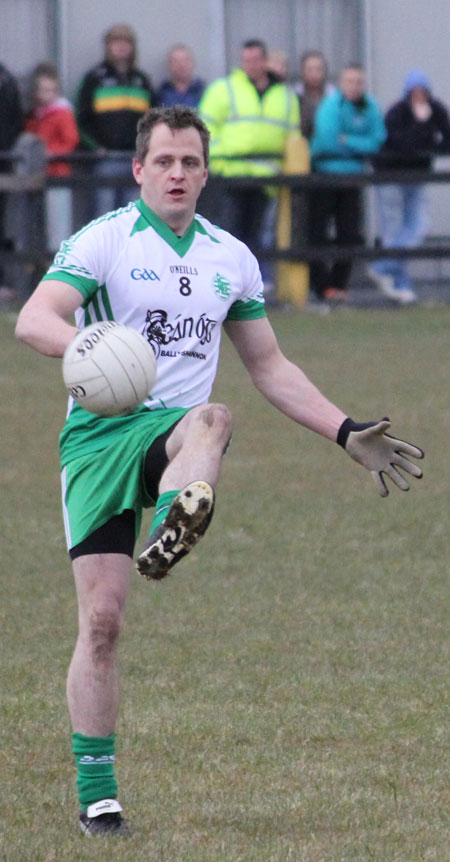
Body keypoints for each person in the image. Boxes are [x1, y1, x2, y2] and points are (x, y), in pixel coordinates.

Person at [15, 105, 424, 838]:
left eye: (190, 163)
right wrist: (95, 350)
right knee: (102, 622)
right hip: (100, 439)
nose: (177, 173)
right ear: (139, 169)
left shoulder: (230, 257)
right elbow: (35, 318)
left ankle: (179, 516)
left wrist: (343, 429)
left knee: (214, 417)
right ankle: (98, 794)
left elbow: (269, 365)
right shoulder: (104, 240)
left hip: (176, 432)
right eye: (164, 161)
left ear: (207, 173)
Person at [198, 39, 300, 303]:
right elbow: (205, 128)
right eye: (247, 60)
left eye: (256, 60)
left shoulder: (286, 96)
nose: (251, 65)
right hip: (231, 173)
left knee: (258, 236)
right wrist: (219, 160)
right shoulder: (224, 90)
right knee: (228, 234)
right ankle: (224, 288)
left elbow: (292, 136)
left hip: (266, 177)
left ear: (265, 61)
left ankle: (255, 288)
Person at [369, 69, 450, 305]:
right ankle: (401, 286)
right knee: (393, 231)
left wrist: (430, 135)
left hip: (417, 177)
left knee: (418, 226)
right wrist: (422, 126)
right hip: (390, 177)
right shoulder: (398, 112)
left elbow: (446, 141)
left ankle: (383, 268)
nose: (419, 96)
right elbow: (400, 143)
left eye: (422, 91)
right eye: (414, 92)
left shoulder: (436, 110)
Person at [309, 63, 386, 303]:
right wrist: (358, 145)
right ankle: (321, 287)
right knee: (317, 233)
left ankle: (339, 285)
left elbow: (377, 140)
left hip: (353, 178)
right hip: (325, 175)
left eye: (359, 82)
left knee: (350, 234)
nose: (354, 86)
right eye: (350, 81)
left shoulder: (370, 106)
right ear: (342, 83)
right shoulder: (331, 105)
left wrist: (349, 141)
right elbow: (329, 140)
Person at [76, 22, 155, 215]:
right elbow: (80, 119)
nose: (121, 47)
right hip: (105, 159)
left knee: (134, 216)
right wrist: (95, 148)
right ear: (108, 46)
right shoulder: (94, 78)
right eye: (116, 42)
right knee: (104, 216)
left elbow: (154, 120)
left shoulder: (141, 80)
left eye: (126, 42)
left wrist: (146, 149)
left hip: (135, 159)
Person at [25, 62, 79, 250]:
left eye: (51, 90)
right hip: (36, 176)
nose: (47, 95)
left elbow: (70, 141)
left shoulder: (62, 113)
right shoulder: (34, 115)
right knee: (36, 222)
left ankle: (58, 262)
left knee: (58, 222)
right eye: (43, 90)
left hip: (58, 174)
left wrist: (50, 153)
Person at [0, 61, 22, 300]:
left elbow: (15, 119)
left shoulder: (6, 79)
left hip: (3, 164)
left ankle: (3, 281)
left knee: (3, 224)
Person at [295, 50, 335, 141]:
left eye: (318, 69)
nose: (314, 74)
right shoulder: (293, 96)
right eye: (309, 69)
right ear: (302, 71)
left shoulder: (334, 98)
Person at [156, 44, 205, 109]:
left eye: (185, 60)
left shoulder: (203, 91)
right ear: (168, 65)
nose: (181, 65)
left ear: (193, 63)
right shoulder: (161, 93)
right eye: (176, 61)